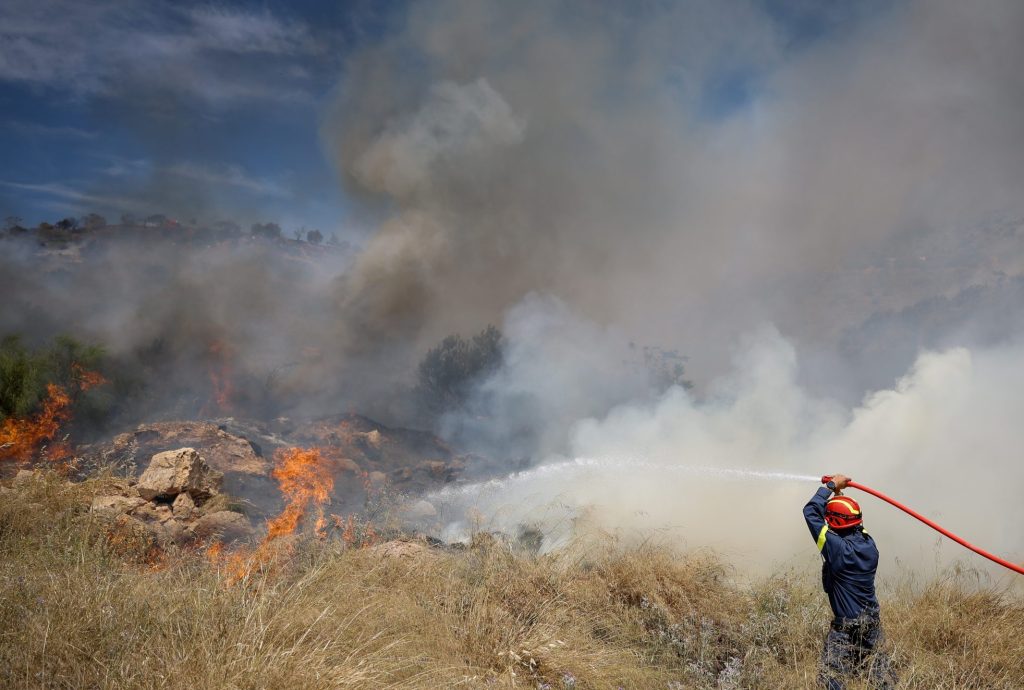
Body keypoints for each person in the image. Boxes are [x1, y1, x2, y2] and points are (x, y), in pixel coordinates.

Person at [803, 474, 896, 690]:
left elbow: (810, 512)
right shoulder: (869, 544)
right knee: (881, 678)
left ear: (834, 523)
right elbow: (852, 524)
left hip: (845, 629)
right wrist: (839, 498)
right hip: (872, 625)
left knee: (831, 677)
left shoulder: (837, 549)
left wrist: (831, 486)